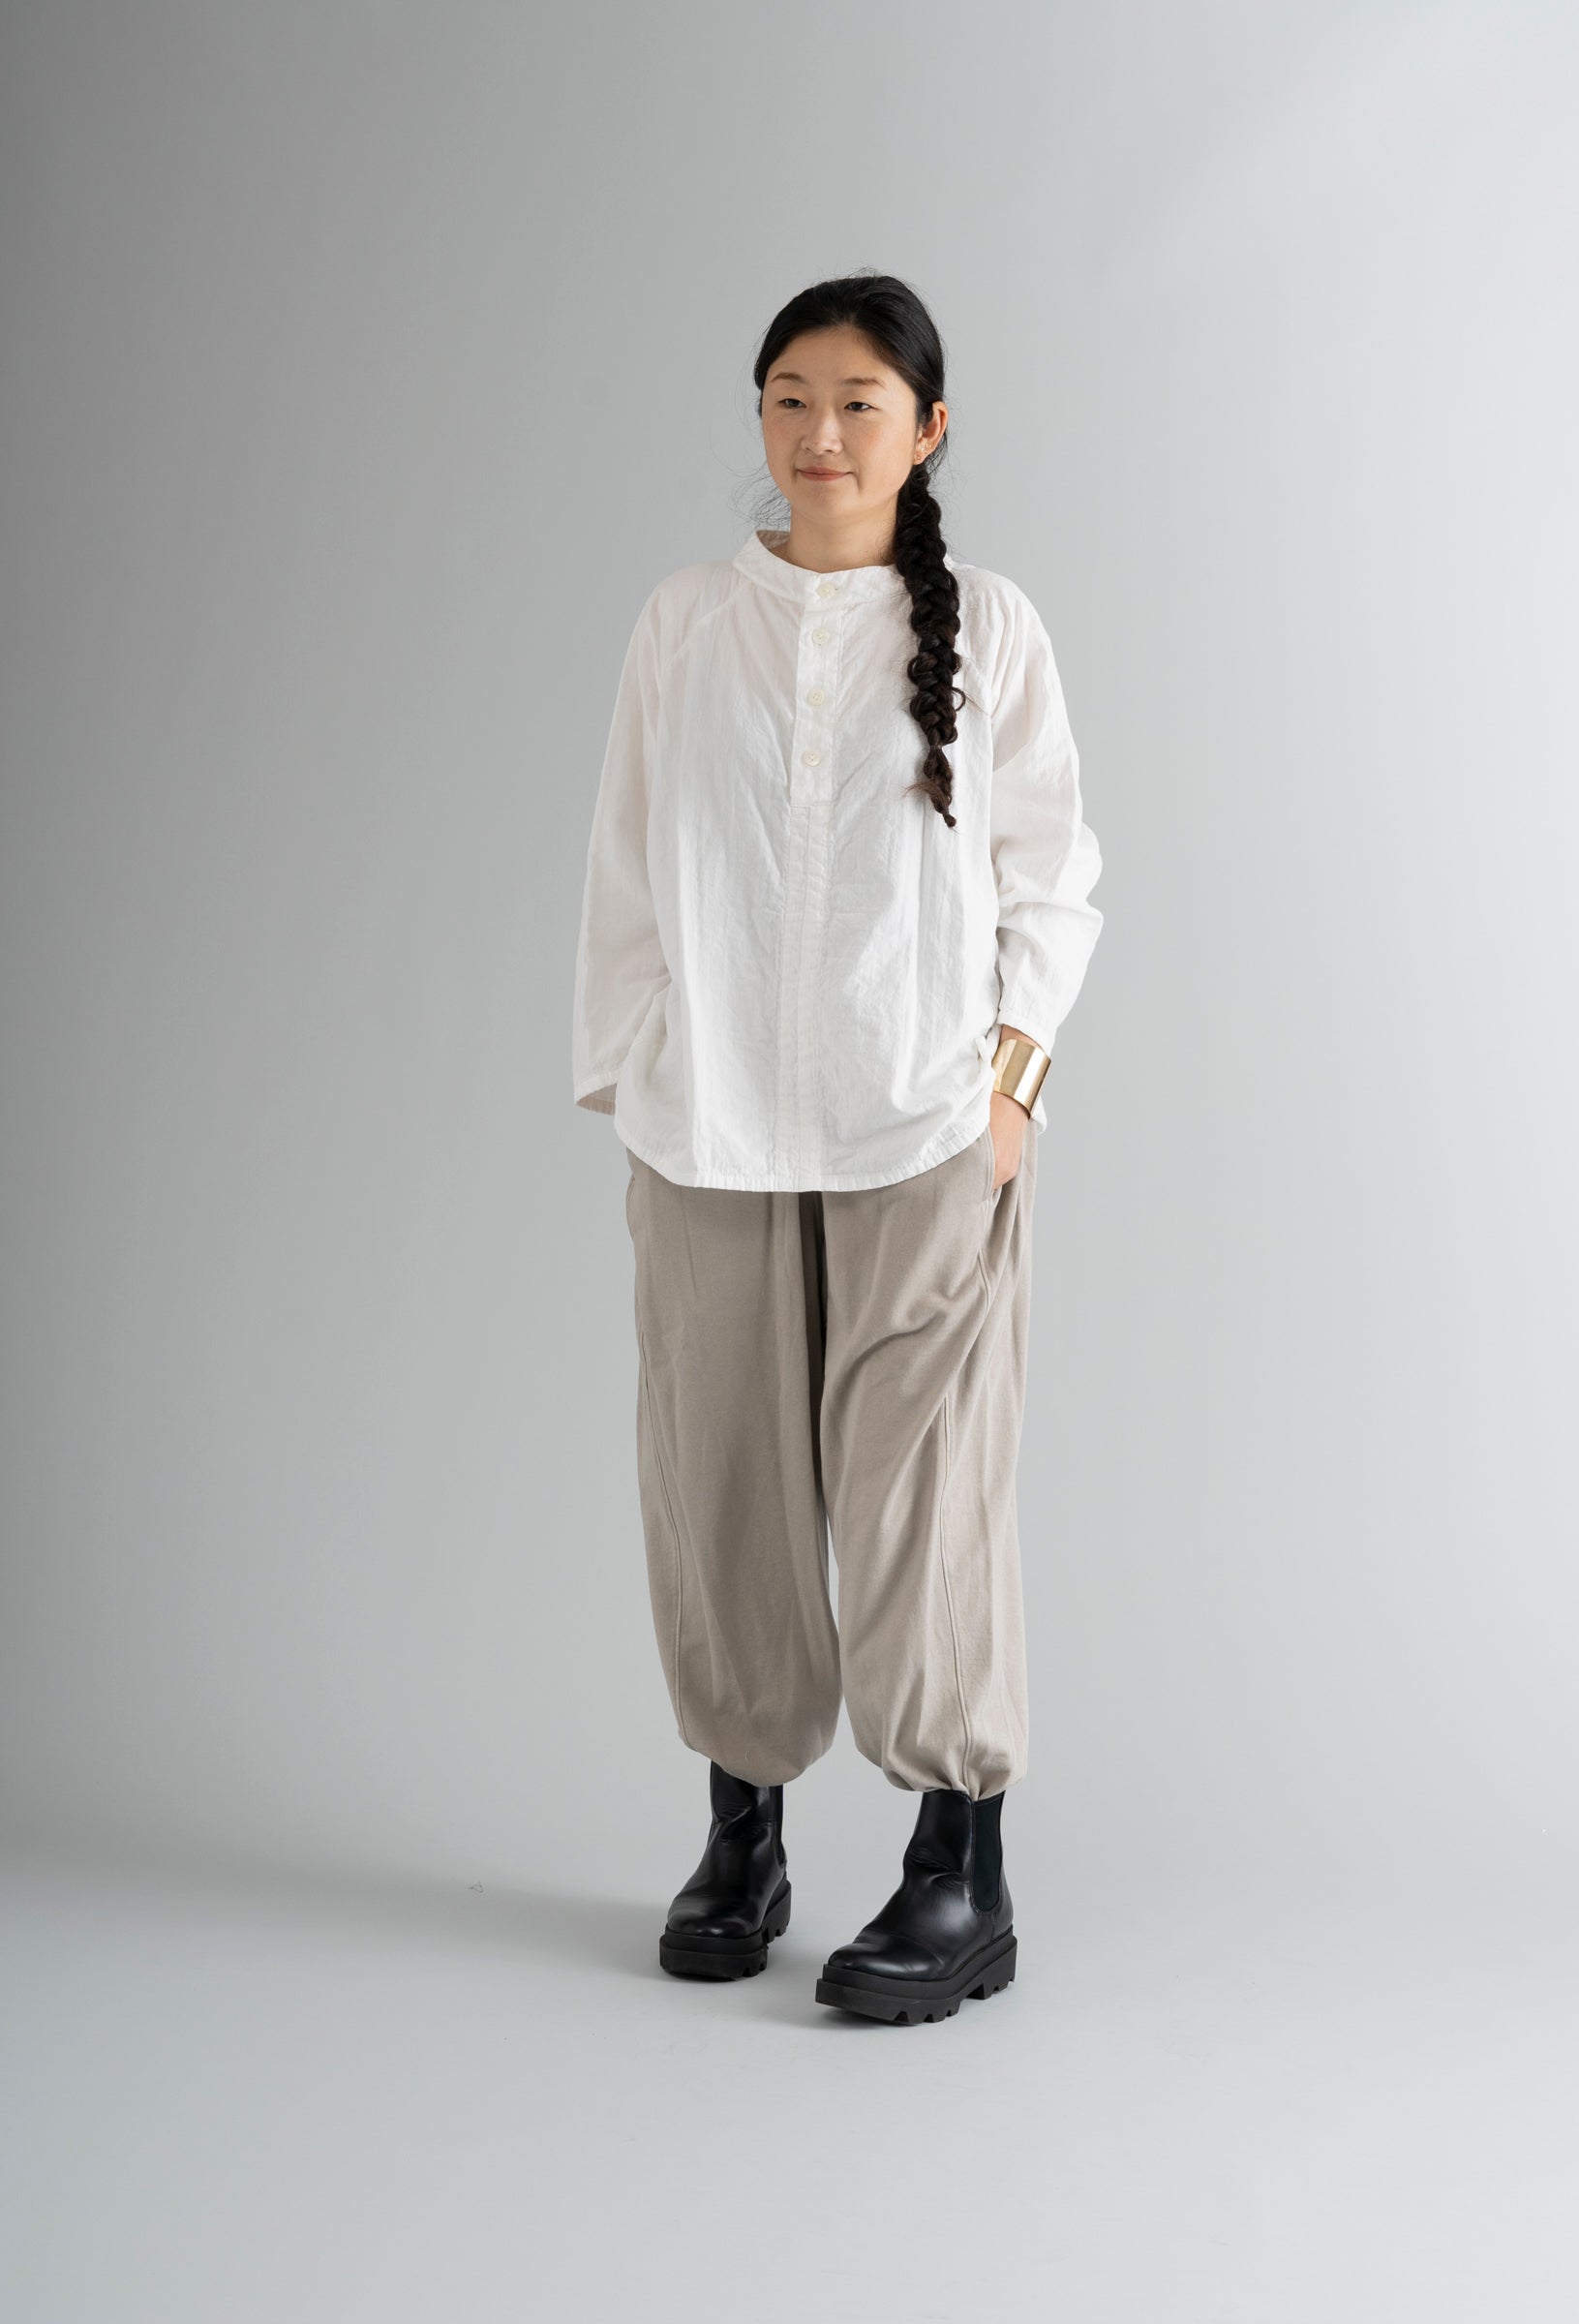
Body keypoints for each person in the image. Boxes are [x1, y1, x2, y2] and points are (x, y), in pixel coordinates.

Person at [571, 271, 1104, 2026]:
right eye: (789, 397)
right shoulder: (685, 623)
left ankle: (962, 1865)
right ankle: (745, 1838)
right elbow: (626, 866)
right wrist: (638, 1075)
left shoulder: (991, 629)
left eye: (859, 402)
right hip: (709, 1125)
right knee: (720, 1482)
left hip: (924, 1126)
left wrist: (1011, 1089)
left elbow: (1053, 874)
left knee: (922, 1495)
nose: (819, 434)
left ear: (927, 430)